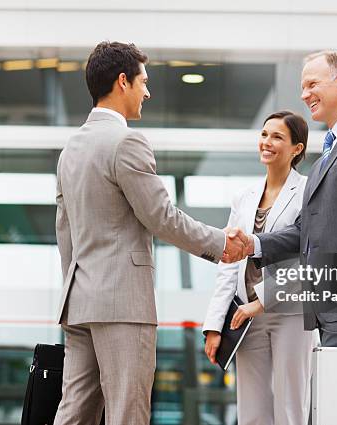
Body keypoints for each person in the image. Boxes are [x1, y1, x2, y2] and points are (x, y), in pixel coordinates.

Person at [53, 41, 249, 425]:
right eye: (143, 81)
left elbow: (65, 230)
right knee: (128, 412)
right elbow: (161, 216)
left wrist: (75, 286)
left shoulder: (71, 148)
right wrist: (221, 243)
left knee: (74, 411)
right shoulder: (126, 141)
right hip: (122, 302)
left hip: (79, 300)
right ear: (122, 81)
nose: (148, 91)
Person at [225, 50, 337, 348]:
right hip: (329, 307)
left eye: (312, 84)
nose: (304, 94)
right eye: (302, 87)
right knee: (336, 395)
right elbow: (307, 232)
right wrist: (253, 244)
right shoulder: (325, 157)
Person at [203, 111, 320, 424]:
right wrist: (215, 325)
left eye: (278, 137)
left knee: (290, 409)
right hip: (244, 316)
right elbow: (229, 264)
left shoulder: (310, 192)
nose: (267, 142)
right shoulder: (244, 197)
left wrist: (263, 301)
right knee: (252, 412)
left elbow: (309, 256)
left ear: (297, 148)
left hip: (291, 313)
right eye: (265, 134)